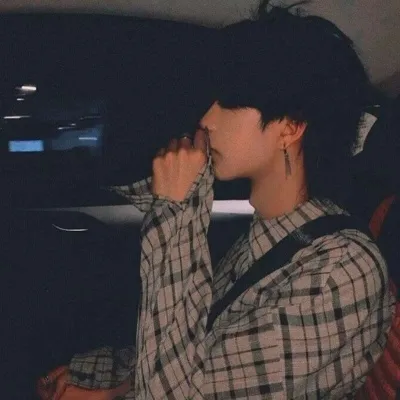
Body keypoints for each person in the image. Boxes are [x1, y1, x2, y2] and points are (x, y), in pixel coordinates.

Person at [38, 1, 396, 399]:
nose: (208, 118)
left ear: (290, 127)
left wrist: (176, 212)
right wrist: (100, 377)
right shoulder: (273, 235)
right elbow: (205, 355)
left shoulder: (340, 270)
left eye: (230, 102)